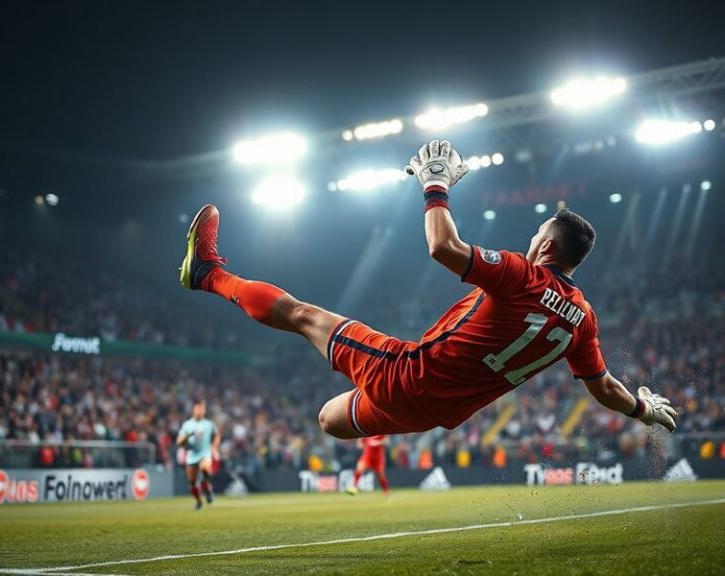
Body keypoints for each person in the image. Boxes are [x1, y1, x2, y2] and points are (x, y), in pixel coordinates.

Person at [179, 139, 677, 439]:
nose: (529, 240)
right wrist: (643, 409)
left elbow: (442, 246)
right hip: (441, 411)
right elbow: (606, 389)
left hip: (408, 375)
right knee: (330, 418)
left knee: (303, 315)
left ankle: (207, 273)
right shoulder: (582, 319)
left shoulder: (522, 275)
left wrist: (435, 186)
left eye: (535, 235)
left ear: (546, 246)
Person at [176, 401, 221, 510]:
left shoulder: (209, 424)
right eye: (197, 409)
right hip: (192, 454)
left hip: (205, 453)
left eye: (201, 409)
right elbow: (179, 442)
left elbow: (217, 435)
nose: (199, 411)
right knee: (192, 482)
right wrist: (186, 438)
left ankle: (208, 489)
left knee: (204, 468)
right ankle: (199, 501)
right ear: (193, 410)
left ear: (204, 411)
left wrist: (214, 447)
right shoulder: (188, 425)